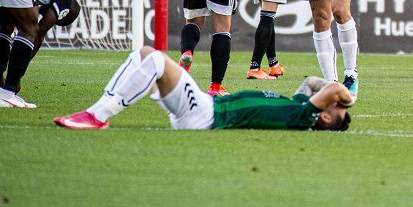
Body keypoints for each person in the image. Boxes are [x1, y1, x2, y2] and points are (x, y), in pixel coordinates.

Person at [53, 46, 353, 131]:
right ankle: (97, 111)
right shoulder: (298, 106)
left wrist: (347, 100)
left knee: (153, 59)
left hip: (206, 113)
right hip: (203, 110)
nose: (335, 102)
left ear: (325, 117)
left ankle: (99, 115)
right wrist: (330, 94)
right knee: (144, 57)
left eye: (335, 108)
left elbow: (336, 88)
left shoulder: (303, 118)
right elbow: (314, 82)